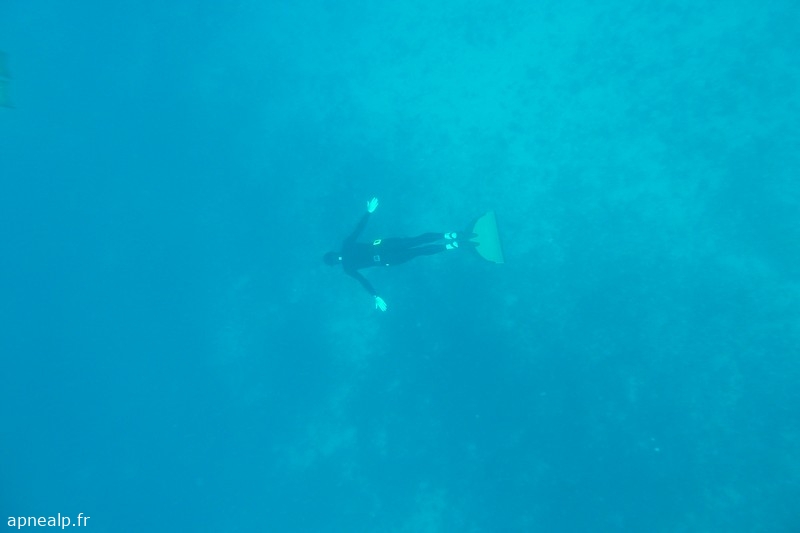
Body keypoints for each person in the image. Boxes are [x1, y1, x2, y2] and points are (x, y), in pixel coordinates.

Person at [323, 197, 472, 312]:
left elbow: (359, 229)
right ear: (335, 260)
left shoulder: (347, 259)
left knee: (416, 245)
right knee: (417, 247)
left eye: (334, 258)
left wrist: (369, 212)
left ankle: (452, 239)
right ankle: (452, 241)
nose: (338, 258)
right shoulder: (347, 257)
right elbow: (363, 280)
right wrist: (375, 295)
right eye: (335, 259)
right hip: (386, 253)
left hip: (386, 252)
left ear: (334, 258)